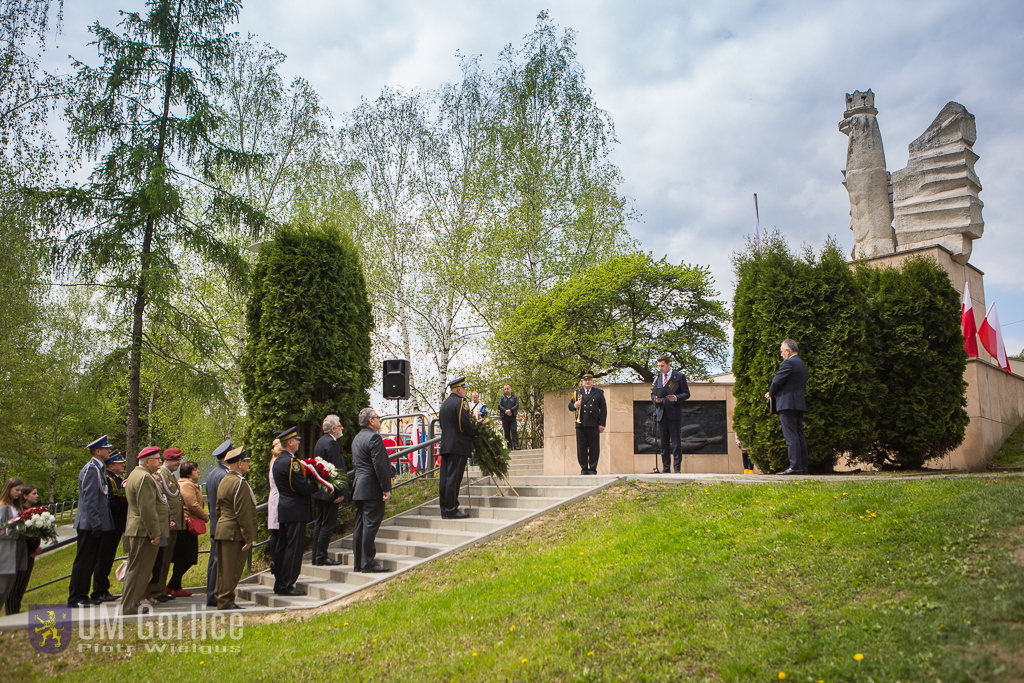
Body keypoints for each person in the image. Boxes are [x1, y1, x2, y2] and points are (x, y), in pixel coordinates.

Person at [68, 435, 115, 608]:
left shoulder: (98, 469)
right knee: (84, 562)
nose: (109, 451)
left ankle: (84, 595)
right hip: (89, 524)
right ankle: (77, 596)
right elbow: (90, 499)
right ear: (98, 451)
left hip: (95, 524)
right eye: (106, 448)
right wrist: (96, 524)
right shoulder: (91, 469)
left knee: (91, 560)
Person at [271, 426, 317, 596]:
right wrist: (317, 486)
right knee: (294, 548)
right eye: (296, 441)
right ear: (289, 443)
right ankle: (287, 584)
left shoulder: (277, 462)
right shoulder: (291, 463)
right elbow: (300, 486)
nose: (298, 443)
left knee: (283, 547)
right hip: (295, 509)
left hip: (284, 508)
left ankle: (279, 583)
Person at [121, 446, 166, 615]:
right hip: (143, 530)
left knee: (136, 569)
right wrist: (154, 532)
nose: (160, 462)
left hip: (139, 528)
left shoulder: (136, 474)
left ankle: (129, 605)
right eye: (157, 459)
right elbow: (147, 508)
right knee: (140, 570)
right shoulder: (145, 478)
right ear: (147, 461)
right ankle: (130, 607)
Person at [214, 447, 257, 610]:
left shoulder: (225, 480)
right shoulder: (239, 483)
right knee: (232, 570)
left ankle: (223, 599)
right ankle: (226, 601)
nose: (248, 465)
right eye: (246, 461)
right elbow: (243, 512)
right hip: (234, 532)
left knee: (224, 569)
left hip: (224, 528)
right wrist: (248, 537)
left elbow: (218, 508)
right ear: (239, 463)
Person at [351, 408, 393, 573]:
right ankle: (368, 562)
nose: (379, 420)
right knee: (369, 525)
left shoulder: (357, 438)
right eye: (377, 417)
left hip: (359, 486)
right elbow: (380, 466)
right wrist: (386, 488)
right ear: (370, 421)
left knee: (360, 526)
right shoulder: (374, 438)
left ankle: (359, 562)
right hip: (371, 487)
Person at [765, 339, 809, 475]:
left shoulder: (789, 363)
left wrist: (771, 393)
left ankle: (794, 466)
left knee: (790, 436)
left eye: (782, 351)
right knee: (799, 434)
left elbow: (777, 380)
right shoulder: (801, 364)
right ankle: (802, 466)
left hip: (787, 403)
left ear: (788, 351)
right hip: (799, 403)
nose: (781, 354)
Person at [91, 451, 127, 603]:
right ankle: (99, 590)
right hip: (110, 524)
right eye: (120, 463)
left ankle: (103, 588)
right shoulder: (109, 479)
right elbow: (110, 502)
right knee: (103, 558)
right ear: (111, 466)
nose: (123, 465)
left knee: (108, 558)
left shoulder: (117, 479)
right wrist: (127, 505)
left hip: (117, 524)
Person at [438, 377, 477, 519]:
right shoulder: (461, 402)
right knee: (454, 478)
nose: (465, 391)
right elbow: (464, 424)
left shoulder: (445, 404)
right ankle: (452, 509)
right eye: (464, 389)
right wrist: (475, 431)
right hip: (458, 445)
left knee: (445, 479)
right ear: (459, 390)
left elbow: (443, 425)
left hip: (446, 445)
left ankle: (444, 509)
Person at [167, 460, 208, 596]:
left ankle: (171, 586)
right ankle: (175, 587)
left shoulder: (188, 484)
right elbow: (192, 505)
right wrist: (205, 516)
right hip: (187, 523)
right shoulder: (187, 485)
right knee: (185, 557)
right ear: (188, 473)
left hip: (186, 522)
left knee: (186, 557)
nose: (198, 471)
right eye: (195, 469)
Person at [311, 415, 346, 566]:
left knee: (319, 523)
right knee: (328, 524)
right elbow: (335, 469)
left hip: (321, 490)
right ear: (333, 429)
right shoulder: (331, 444)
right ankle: (321, 556)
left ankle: (316, 555)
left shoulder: (320, 442)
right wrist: (339, 491)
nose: (341, 428)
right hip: (330, 491)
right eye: (339, 426)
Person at [150, 447, 183, 602]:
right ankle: (155, 590)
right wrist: (169, 519)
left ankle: (161, 588)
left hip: (174, 523)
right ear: (167, 460)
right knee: (162, 558)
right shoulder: (160, 475)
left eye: (179, 459)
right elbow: (163, 499)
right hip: (167, 523)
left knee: (168, 557)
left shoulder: (169, 475)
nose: (179, 463)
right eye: (176, 460)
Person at [204, 439, 233, 607]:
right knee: (218, 562)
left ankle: (212, 593)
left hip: (216, 522)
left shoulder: (214, 473)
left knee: (214, 561)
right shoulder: (224, 476)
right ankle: (214, 594)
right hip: (222, 523)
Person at [651, 355, 691, 474]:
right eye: (658, 366)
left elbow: (686, 394)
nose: (660, 368)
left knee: (676, 443)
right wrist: (655, 399)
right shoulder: (658, 377)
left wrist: (676, 398)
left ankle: (677, 468)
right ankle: (666, 468)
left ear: (669, 364)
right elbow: (653, 394)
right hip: (661, 413)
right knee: (663, 443)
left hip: (673, 414)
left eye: (662, 366)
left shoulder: (679, 376)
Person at [5, 484, 41, 614]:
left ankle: (15, 612)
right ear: (25, 496)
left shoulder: (29, 511)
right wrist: (34, 547)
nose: (36, 496)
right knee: (14, 588)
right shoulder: (16, 512)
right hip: (22, 553)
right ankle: (12, 614)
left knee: (21, 587)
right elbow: (21, 534)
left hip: (28, 553)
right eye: (33, 493)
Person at [568, 372, 607, 475]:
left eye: (589, 380)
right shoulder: (577, 393)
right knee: (581, 448)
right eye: (585, 380)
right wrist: (574, 405)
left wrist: (602, 424)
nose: (587, 382)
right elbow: (570, 406)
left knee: (594, 448)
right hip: (581, 424)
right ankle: (584, 468)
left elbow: (603, 410)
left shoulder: (598, 393)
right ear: (582, 382)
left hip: (594, 424)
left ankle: (593, 469)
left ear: (593, 381)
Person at [0, 478, 26, 609]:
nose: (19, 493)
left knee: (6, 591)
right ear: (8, 489)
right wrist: (16, 532)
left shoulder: (16, 508)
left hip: (14, 556)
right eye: (17, 490)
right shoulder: (3, 508)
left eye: (21, 490)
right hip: (4, 556)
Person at [266, 439, 282, 574]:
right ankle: (277, 561)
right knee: (277, 534)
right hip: (278, 498)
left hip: (274, 498)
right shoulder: (277, 463)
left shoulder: (273, 462)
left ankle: (275, 561)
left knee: (275, 533)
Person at [498, 384, 520, 450]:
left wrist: (511, 410)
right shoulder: (502, 397)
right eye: (505, 389)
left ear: (511, 388)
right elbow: (499, 406)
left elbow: (517, 405)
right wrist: (505, 411)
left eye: (507, 388)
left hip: (512, 416)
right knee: (506, 432)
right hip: (504, 416)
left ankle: (516, 445)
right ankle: (509, 446)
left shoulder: (515, 397)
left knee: (514, 431)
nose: (506, 390)